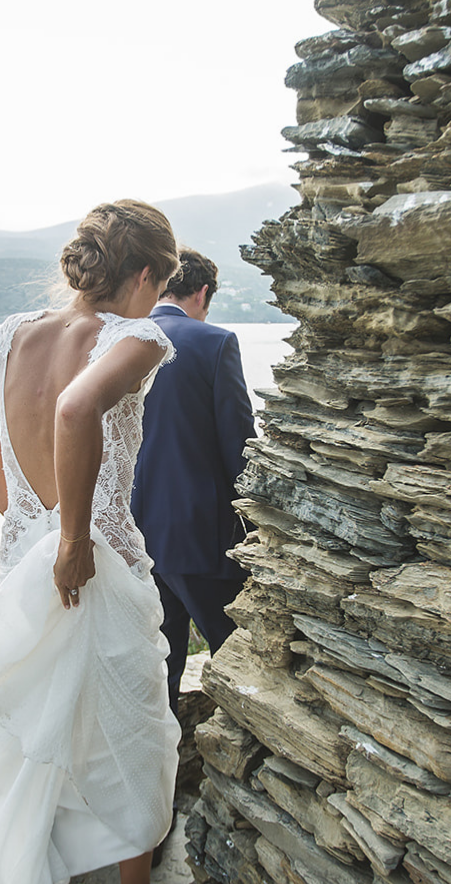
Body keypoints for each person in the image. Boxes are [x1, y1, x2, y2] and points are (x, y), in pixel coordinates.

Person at [0, 199, 184, 884]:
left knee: (34, 756)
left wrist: (42, 532)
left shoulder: (12, 335)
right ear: (144, 274)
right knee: (133, 753)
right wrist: (74, 540)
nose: (158, 301)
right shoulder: (138, 339)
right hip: (96, 574)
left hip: (27, 572)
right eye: (161, 285)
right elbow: (76, 408)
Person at [129, 248, 257, 714]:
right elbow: (240, 445)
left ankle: (163, 756)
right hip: (203, 538)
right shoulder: (214, 342)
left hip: (136, 537)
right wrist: (256, 529)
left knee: (158, 668)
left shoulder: (120, 338)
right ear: (202, 293)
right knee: (240, 652)